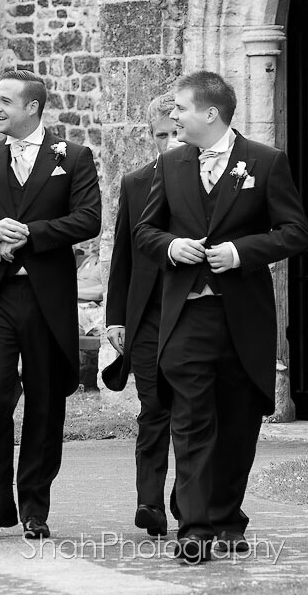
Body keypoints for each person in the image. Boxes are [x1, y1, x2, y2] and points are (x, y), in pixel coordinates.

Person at [135, 71, 308, 563]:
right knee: (190, 423)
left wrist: (241, 252)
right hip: (187, 319)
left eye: (181, 109)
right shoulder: (170, 166)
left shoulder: (265, 162)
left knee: (236, 423)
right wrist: (172, 245)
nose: (173, 117)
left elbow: (296, 232)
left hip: (242, 320)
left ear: (210, 114)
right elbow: (144, 232)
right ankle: (193, 528)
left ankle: (227, 518)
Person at [0, 70, 101, 538]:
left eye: (4, 100)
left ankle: (35, 506)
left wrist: (31, 234)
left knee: (45, 401)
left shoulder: (72, 157)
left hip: (46, 299)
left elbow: (88, 219)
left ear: (32, 107)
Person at [105, 92, 181, 537]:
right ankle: (149, 502)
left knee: (189, 411)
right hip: (148, 316)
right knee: (153, 407)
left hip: (190, 312)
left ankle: (183, 499)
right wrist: (116, 317)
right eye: (161, 135)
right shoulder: (136, 182)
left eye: (176, 133)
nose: (169, 142)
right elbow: (123, 256)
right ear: (151, 136)